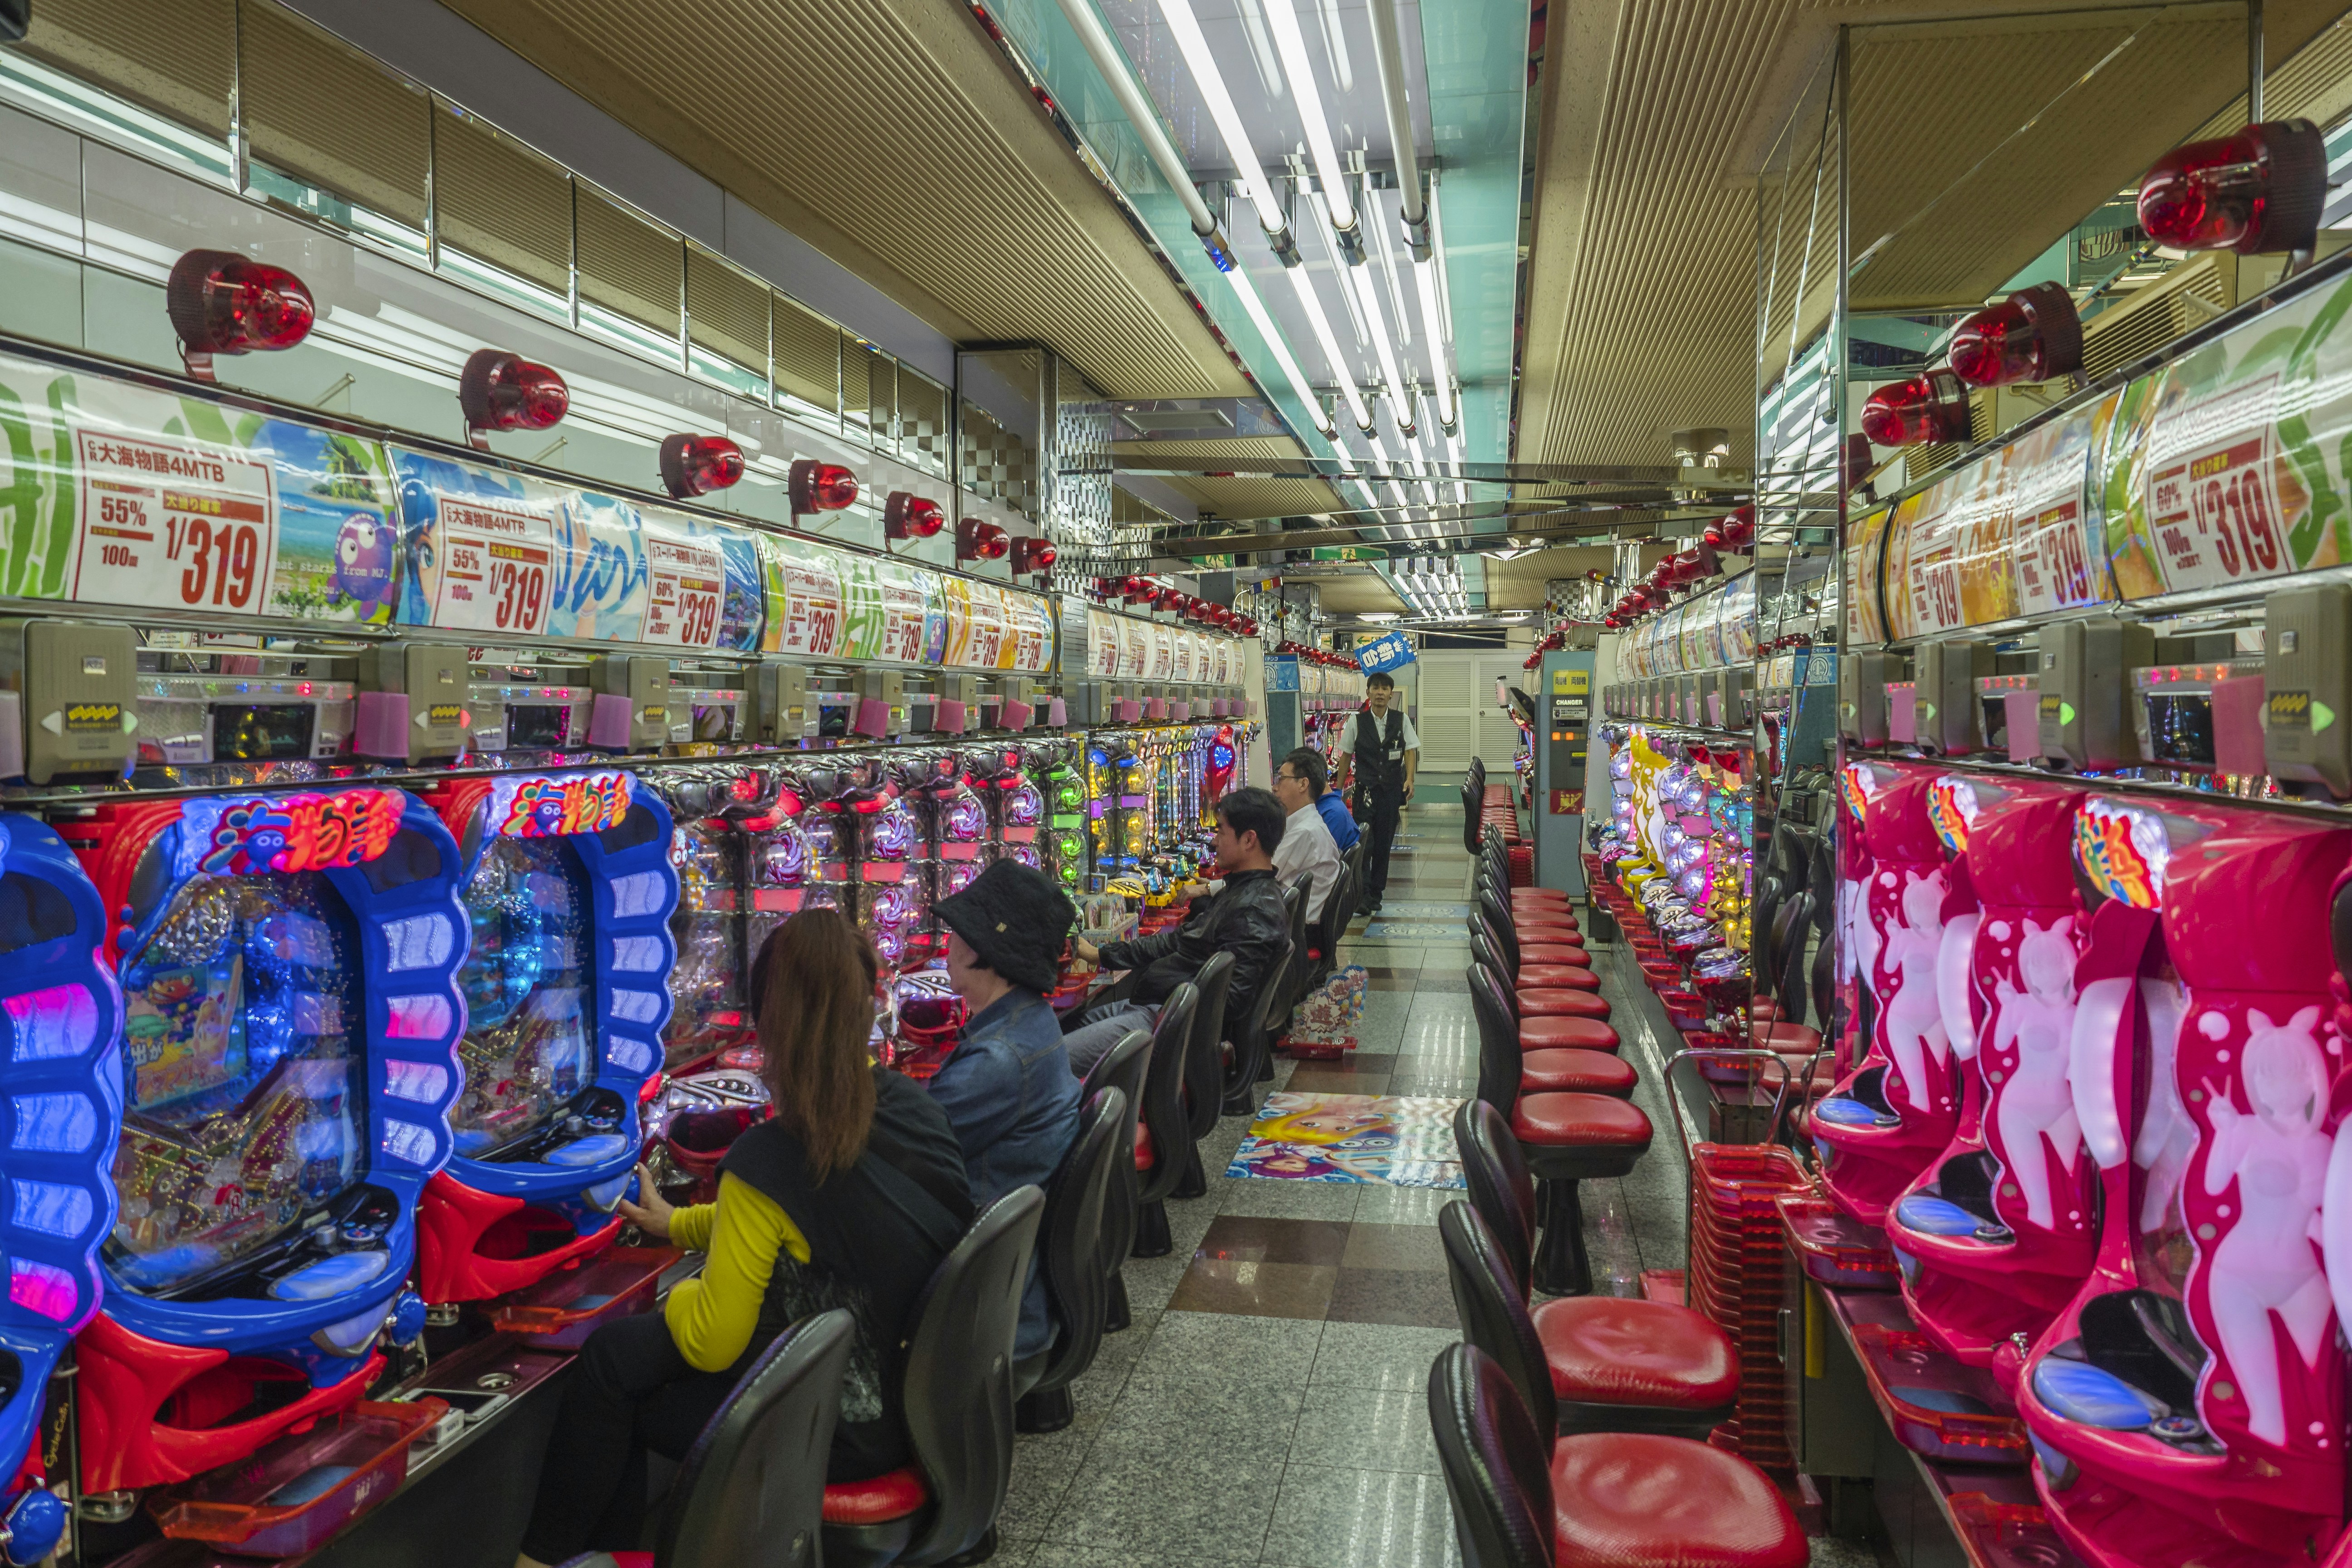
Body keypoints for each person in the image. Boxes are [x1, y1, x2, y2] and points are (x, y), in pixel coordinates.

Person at [514, 911, 974, 1568]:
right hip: (914, 1395)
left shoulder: (772, 1155)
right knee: (624, 1362)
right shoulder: (907, 1103)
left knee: (615, 1364)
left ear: (768, 1020)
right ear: (872, 997)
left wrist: (672, 1296)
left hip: (842, 1423)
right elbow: (817, 1218)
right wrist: (678, 1225)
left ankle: (554, 1557)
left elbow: (712, 1340)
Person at [926, 858, 1081, 1362]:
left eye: (956, 933)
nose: (947, 943)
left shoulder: (999, 1059)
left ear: (977, 950)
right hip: (1009, 1285)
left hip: (986, 1309)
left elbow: (903, 1153)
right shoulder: (1027, 1022)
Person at [1061, 785, 1290, 1074]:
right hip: (1154, 1008)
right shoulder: (1243, 893)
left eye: (1221, 831)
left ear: (1248, 839)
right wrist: (1100, 955)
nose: (1215, 840)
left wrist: (1170, 991)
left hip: (1165, 1022)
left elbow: (1230, 1000)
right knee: (1059, 1034)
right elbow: (1176, 942)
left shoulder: (1253, 910)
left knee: (1048, 1064)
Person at [1197, 748, 1340, 921]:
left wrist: (1206, 889)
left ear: (1303, 784)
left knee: (1201, 906)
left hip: (1291, 926)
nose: (1275, 786)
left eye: (1282, 779)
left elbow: (1258, 875)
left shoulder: (1306, 832)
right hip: (1289, 919)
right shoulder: (1307, 824)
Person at [1338, 671, 1419, 916]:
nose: (1381, 693)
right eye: (1377, 688)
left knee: (1384, 844)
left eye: (1385, 689)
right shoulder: (1356, 722)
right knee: (1365, 842)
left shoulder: (1401, 720)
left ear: (1391, 694)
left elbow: (1411, 749)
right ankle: (1361, 894)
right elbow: (1345, 755)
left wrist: (1410, 780)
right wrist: (1339, 791)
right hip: (1365, 791)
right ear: (1368, 693)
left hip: (1391, 792)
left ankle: (1376, 894)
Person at [1312, 749, 1362, 852]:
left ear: (1304, 783)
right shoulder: (1330, 805)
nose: (1276, 788)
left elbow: (1320, 857)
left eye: (1282, 779)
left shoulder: (1330, 813)